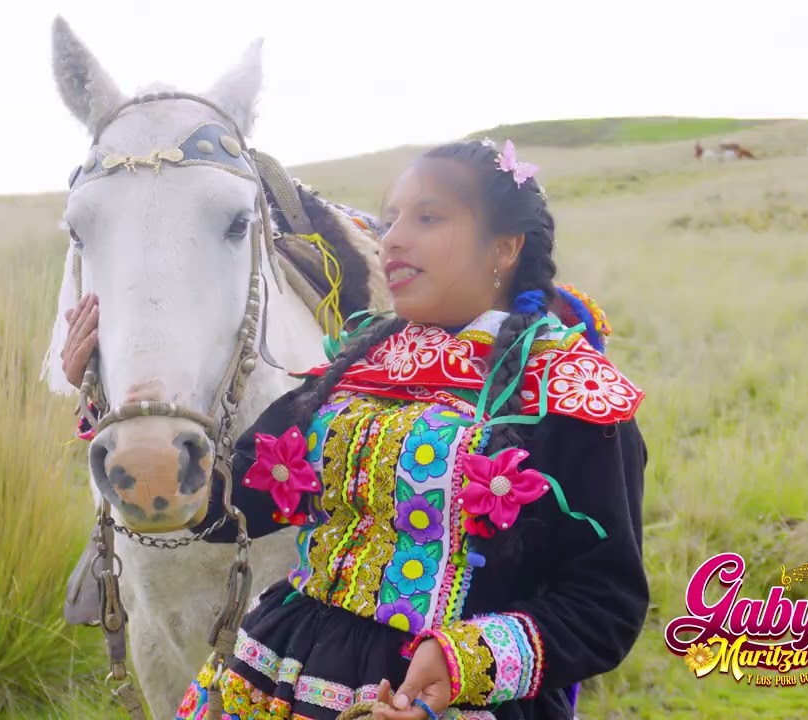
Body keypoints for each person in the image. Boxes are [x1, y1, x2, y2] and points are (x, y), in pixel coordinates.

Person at [62, 139, 648, 720]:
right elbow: (224, 504)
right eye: (391, 220)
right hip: (277, 679)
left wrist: (464, 663)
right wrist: (113, 412)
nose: (392, 239)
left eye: (428, 218)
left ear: (505, 246)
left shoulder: (568, 392)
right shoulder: (354, 369)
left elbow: (605, 603)